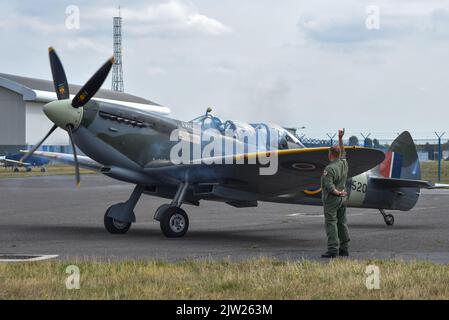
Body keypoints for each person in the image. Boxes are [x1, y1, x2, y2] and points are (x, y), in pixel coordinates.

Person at [320, 129, 350, 258]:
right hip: (343, 198)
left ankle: (332, 249)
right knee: (342, 223)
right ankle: (344, 248)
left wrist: (336, 192)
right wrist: (340, 138)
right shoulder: (344, 163)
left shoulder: (329, 169)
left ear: (330, 154)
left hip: (333, 199)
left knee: (331, 223)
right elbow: (343, 151)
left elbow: (329, 186)